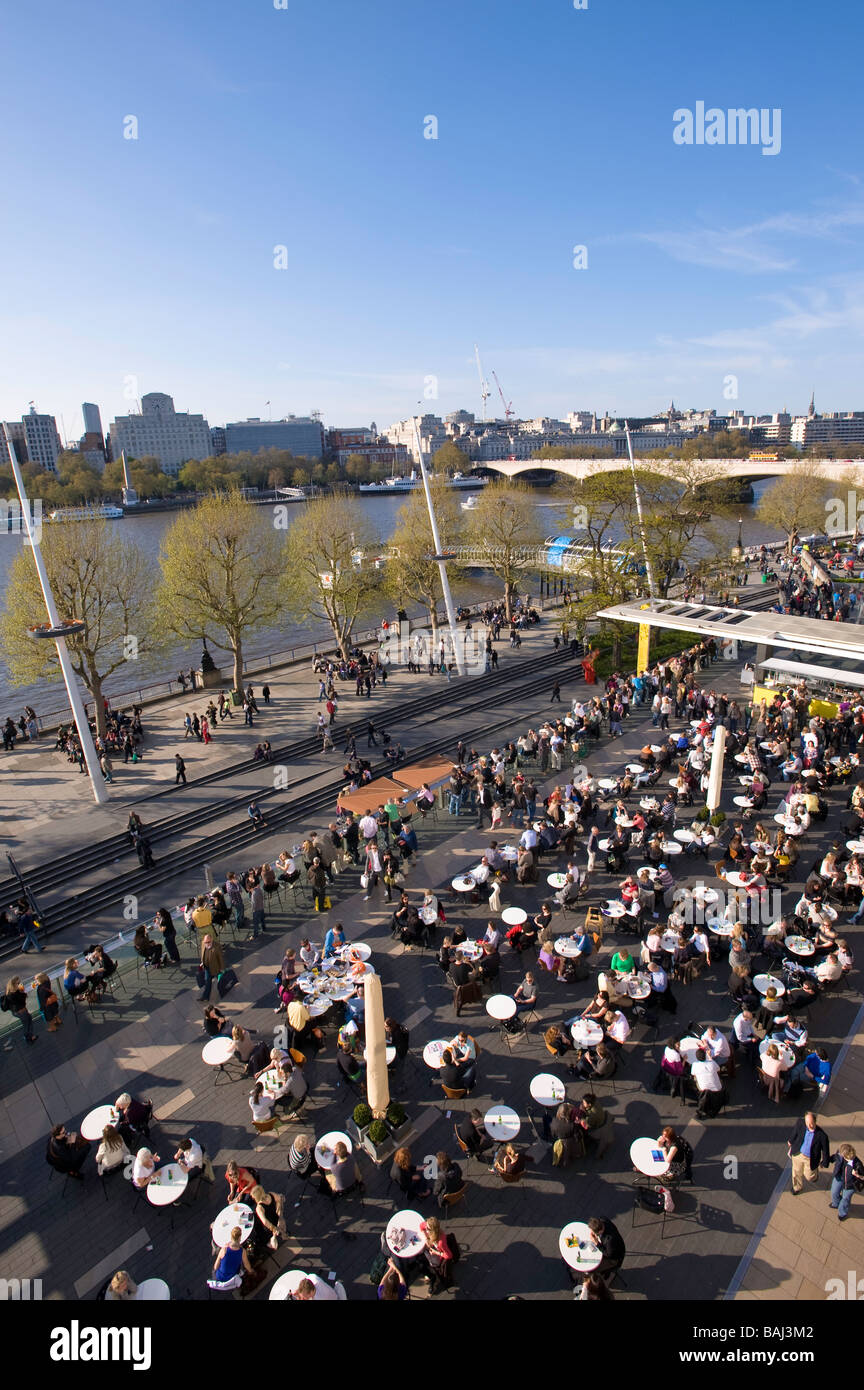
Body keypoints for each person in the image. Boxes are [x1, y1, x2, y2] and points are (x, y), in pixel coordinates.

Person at [787, 1110, 831, 1193]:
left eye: (811, 1123)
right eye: (807, 1123)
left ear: (815, 1121)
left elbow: (825, 1151)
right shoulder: (801, 1123)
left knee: (809, 1177)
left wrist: (824, 1162)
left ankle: (814, 1176)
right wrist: (791, 1140)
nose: (809, 1125)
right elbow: (795, 1132)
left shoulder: (822, 1136)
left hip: (811, 1158)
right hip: (798, 1153)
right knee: (796, 1172)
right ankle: (797, 1188)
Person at [419, 1216, 454, 1295]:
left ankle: (433, 1275)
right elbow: (421, 1225)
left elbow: (449, 1255)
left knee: (428, 1262)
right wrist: (426, 1238)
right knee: (421, 1256)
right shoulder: (428, 1226)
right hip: (431, 1246)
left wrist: (435, 1252)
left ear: (433, 1230)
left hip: (438, 1254)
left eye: (428, 1229)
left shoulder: (440, 1242)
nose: (426, 1229)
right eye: (426, 1227)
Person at [829, 1143, 864, 1221]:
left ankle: (842, 1213)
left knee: (845, 1199)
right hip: (839, 1177)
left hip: (850, 1185)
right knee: (834, 1192)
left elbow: (863, 1177)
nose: (839, 1154)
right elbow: (835, 1157)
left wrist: (857, 1175)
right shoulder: (840, 1153)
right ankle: (836, 1203)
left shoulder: (858, 1164)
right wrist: (826, 1161)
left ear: (846, 1156)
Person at [250, 1184, 287, 1252]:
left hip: (270, 1223)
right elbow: (281, 1199)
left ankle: (267, 1242)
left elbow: (264, 1221)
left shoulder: (259, 1207)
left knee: (258, 1227)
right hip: (277, 1218)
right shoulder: (271, 1194)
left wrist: (273, 1229)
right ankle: (283, 1234)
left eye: (253, 1197)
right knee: (282, 1230)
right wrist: (279, 1211)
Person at [3, 976, 36, 1043]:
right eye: (18, 983)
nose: (20, 984)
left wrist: (21, 992)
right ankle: (28, 1038)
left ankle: (30, 1036)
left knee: (28, 1020)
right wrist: (22, 992)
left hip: (19, 1011)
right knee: (26, 1024)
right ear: (14, 984)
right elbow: (22, 1001)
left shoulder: (10, 992)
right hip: (20, 1011)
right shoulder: (14, 994)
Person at [198, 932, 225, 1002]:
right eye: (205, 942)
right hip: (207, 968)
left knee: (220, 981)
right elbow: (202, 953)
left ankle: (223, 990)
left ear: (212, 940)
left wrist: (222, 969)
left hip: (216, 968)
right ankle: (205, 997)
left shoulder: (217, 947)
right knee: (207, 982)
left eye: (208, 942)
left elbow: (221, 958)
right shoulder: (203, 944)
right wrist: (202, 962)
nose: (207, 944)